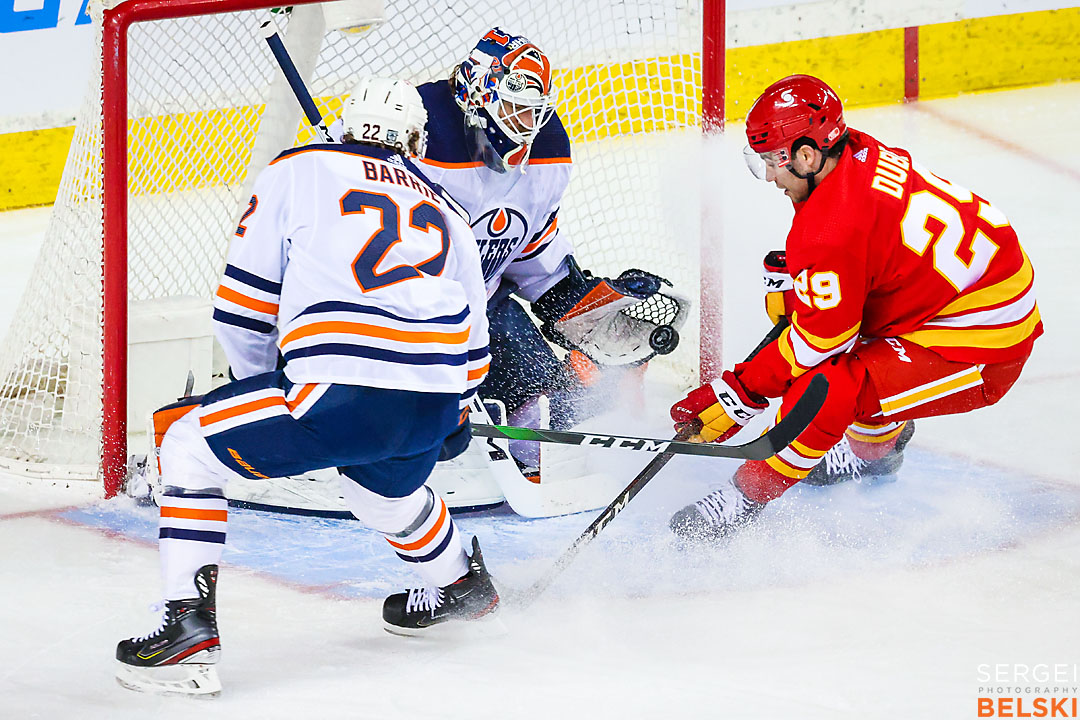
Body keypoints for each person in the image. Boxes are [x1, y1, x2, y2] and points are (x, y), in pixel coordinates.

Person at [115, 77, 497, 697]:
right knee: (381, 493)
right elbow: (475, 355)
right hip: (431, 398)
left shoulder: (297, 168)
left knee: (185, 441)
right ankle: (459, 582)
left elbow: (243, 307)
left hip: (336, 391)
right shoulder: (450, 211)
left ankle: (186, 629)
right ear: (414, 140)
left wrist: (257, 387)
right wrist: (444, 415)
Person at [668, 74, 1043, 542]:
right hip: (955, 292)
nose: (769, 177)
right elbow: (861, 256)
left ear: (807, 155)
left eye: (772, 161)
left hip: (983, 340)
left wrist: (739, 394)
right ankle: (878, 444)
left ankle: (747, 496)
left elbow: (821, 343)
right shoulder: (852, 149)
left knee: (826, 392)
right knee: (803, 319)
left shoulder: (832, 229)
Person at [414, 27, 689, 485]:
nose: (524, 126)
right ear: (475, 92)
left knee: (558, 394)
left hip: (483, 305)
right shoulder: (422, 133)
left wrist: (596, 309)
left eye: (532, 113)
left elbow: (529, 257)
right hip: (399, 313)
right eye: (513, 108)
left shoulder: (544, 155)